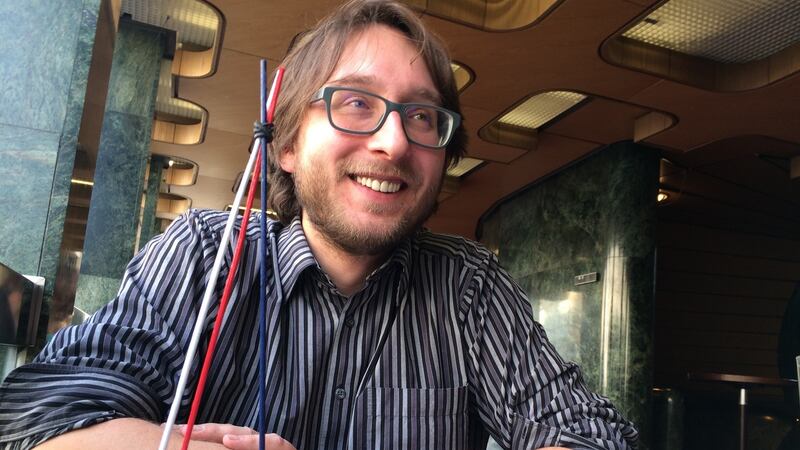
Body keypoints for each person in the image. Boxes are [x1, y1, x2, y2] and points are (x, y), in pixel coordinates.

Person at [0, 1, 638, 449]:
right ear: (285, 146)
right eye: (355, 102)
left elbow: (587, 432)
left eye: (422, 116)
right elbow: (32, 415)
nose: (393, 141)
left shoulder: (467, 286)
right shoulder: (204, 256)